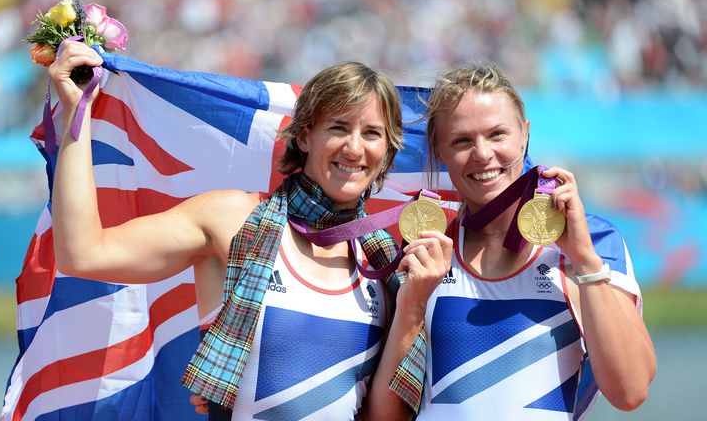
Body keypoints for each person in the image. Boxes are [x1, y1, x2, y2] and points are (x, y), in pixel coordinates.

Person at [46, 40, 452, 420]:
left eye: (372, 133)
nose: (354, 148)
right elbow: (83, 252)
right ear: (306, 134)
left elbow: (388, 415)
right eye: (338, 127)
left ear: (387, 151)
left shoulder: (384, 264)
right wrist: (75, 114)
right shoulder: (233, 219)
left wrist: (413, 304)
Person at [367, 63, 656, 420]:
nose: (483, 154)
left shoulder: (593, 241)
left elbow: (631, 390)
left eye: (497, 134)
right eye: (461, 140)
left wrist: (584, 260)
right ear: (438, 150)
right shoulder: (424, 249)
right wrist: (412, 303)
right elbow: (384, 417)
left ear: (525, 134)